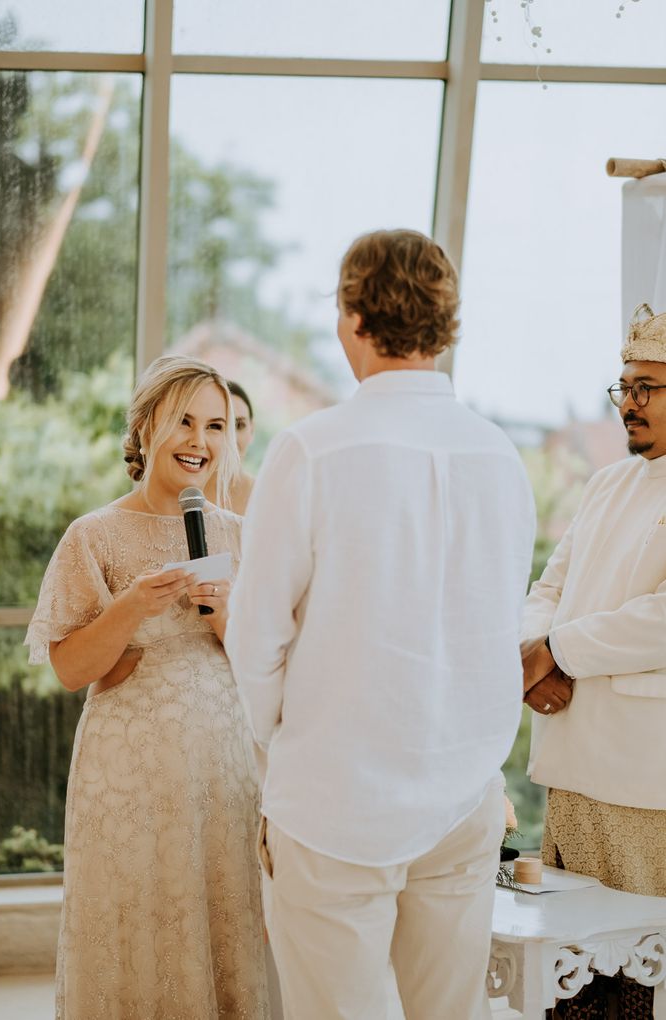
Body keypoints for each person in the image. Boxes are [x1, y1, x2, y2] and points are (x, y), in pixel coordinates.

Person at [225, 229, 536, 1020]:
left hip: (333, 797)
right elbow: (498, 622)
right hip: (462, 793)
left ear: (352, 317)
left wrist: (280, 752)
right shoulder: (501, 458)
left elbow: (255, 636)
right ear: (447, 323)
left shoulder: (312, 452)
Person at [25, 355, 270, 1020]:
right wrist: (131, 607)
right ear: (146, 427)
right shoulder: (93, 535)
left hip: (226, 769)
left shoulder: (249, 539)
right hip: (126, 775)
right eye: (183, 421)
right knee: (133, 917)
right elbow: (72, 669)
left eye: (215, 425)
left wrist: (227, 620)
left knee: (229, 918)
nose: (199, 440)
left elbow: (279, 668)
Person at [522, 303, 666, 1019]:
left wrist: (558, 651)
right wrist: (531, 656)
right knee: (567, 975)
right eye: (624, 387)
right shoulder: (607, 483)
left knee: (635, 971)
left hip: (645, 779)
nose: (629, 405)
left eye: (647, 388)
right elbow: (550, 586)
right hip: (571, 766)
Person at [206, 379, 256, 515]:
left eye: (239, 425)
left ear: (252, 430)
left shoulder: (265, 495)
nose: (231, 439)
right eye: (218, 426)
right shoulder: (182, 494)